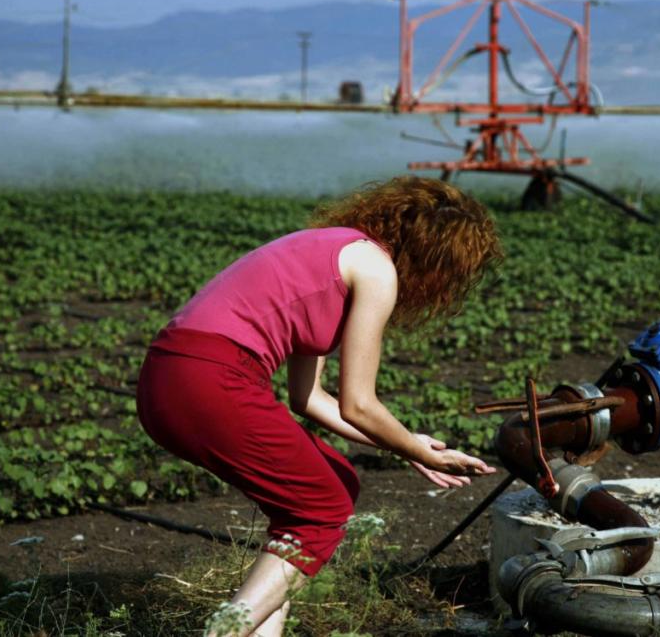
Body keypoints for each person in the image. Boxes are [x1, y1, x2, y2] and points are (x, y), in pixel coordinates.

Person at [136, 176, 503, 637]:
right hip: (211, 377)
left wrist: (409, 445)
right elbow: (359, 404)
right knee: (322, 508)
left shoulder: (331, 250)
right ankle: (223, 633)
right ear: (438, 260)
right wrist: (417, 449)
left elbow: (309, 398)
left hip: (166, 376)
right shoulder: (376, 270)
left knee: (331, 485)